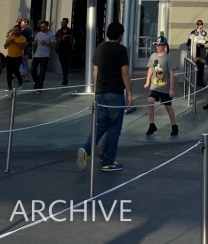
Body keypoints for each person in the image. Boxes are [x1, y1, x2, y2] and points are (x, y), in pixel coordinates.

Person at [77, 22, 133, 173]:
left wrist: (96, 89)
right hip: (115, 93)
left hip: (101, 92)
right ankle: (108, 162)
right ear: (120, 35)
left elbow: (95, 70)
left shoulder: (100, 47)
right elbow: (125, 72)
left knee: (101, 125)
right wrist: (129, 93)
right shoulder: (121, 50)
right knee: (115, 128)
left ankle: (86, 149)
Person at [145, 36, 179, 137]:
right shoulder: (153, 56)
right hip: (155, 86)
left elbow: (172, 73)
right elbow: (150, 69)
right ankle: (152, 124)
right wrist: (147, 82)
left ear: (164, 46)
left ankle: (174, 126)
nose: (158, 47)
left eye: (160, 45)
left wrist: (171, 89)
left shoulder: (168, 57)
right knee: (150, 102)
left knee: (168, 107)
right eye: (156, 45)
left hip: (165, 87)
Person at [31, 20, 56, 92]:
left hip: (45, 55)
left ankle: (40, 86)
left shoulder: (51, 35)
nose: (41, 28)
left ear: (47, 26)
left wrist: (46, 43)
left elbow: (53, 46)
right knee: (32, 70)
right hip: (37, 54)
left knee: (42, 71)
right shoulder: (38, 34)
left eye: (43, 27)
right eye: (41, 27)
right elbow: (35, 42)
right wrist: (34, 43)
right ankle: (37, 81)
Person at [3, 22, 28, 91]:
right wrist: (8, 42)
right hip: (9, 56)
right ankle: (9, 86)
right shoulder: (10, 37)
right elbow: (5, 46)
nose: (15, 32)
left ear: (19, 31)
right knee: (8, 71)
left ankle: (20, 79)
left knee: (15, 69)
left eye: (17, 30)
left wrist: (17, 43)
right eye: (14, 30)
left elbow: (24, 47)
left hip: (18, 56)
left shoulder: (22, 38)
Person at [188, 20, 208, 89]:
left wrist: (204, 41)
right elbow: (189, 39)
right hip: (195, 47)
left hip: (202, 48)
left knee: (202, 64)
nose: (199, 25)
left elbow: (207, 40)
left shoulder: (204, 32)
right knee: (196, 64)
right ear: (196, 25)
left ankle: (201, 81)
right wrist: (188, 46)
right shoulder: (194, 32)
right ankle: (195, 81)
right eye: (198, 24)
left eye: (201, 24)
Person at [56, 18, 74, 87]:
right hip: (60, 50)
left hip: (67, 50)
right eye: (62, 22)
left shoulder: (70, 31)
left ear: (67, 23)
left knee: (65, 65)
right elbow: (56, 39)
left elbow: (73, 39)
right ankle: (65, 79)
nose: (62, 23)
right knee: (62, 65)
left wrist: (72, 46)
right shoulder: (59, 31)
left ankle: (65, 80)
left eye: (64, 22)